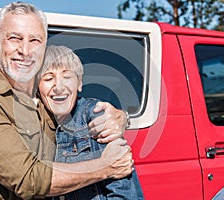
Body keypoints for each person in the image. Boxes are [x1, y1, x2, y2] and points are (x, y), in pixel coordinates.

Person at [0, 2, 133, 199]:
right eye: (15, 38)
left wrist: (121, 117)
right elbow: (28, 180)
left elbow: (86, 111)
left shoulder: (48, 96)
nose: (25, 50)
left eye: (35, 40)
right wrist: (105, 166)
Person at [38, 45, 144, 200]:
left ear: (79, 84)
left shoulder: (95, 116)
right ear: (37, 87)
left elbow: (125, 194)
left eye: (67, 77)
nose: (58, 87)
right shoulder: (31, 123)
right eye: (48, 78)